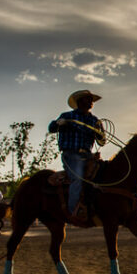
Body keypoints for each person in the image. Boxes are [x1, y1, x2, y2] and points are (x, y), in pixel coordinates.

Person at [49, 90, 105, 221]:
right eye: (87, 99)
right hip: (71, 154)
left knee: (103, 175)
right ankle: (73, 210)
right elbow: (52, 128)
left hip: (88, 155)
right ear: (79, 102)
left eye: (91, 100)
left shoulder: (94, 121)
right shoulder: (67, 116)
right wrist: (58, 123)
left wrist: (100, 134)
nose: (91, 102)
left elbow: (102, 141)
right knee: (78, 178)